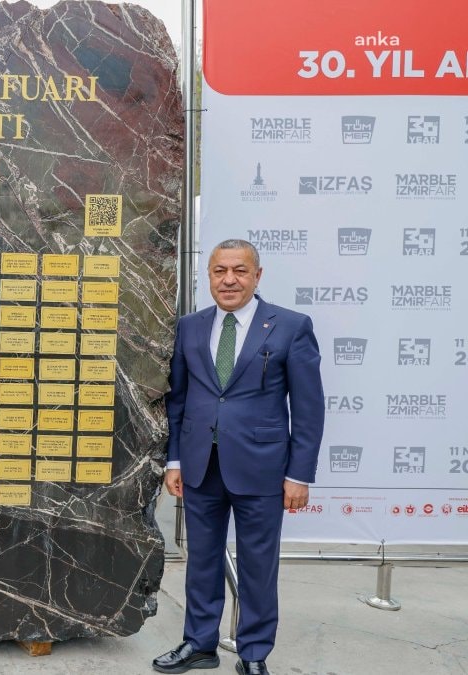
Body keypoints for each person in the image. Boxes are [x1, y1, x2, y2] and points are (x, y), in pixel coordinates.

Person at [153, 239, 323, 675]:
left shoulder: (290, 326)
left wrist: (299, 475)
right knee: (201, 561)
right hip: (200, 466)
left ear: (257, 275)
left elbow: (308, 409)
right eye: (220, 271)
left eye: (240, 271)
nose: (229, 280)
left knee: (258, 567)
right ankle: (199, 643)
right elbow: (179, 400)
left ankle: (253, 653)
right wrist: (174, 461)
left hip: (262, 469)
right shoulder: (190, 327)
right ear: (208, 276)